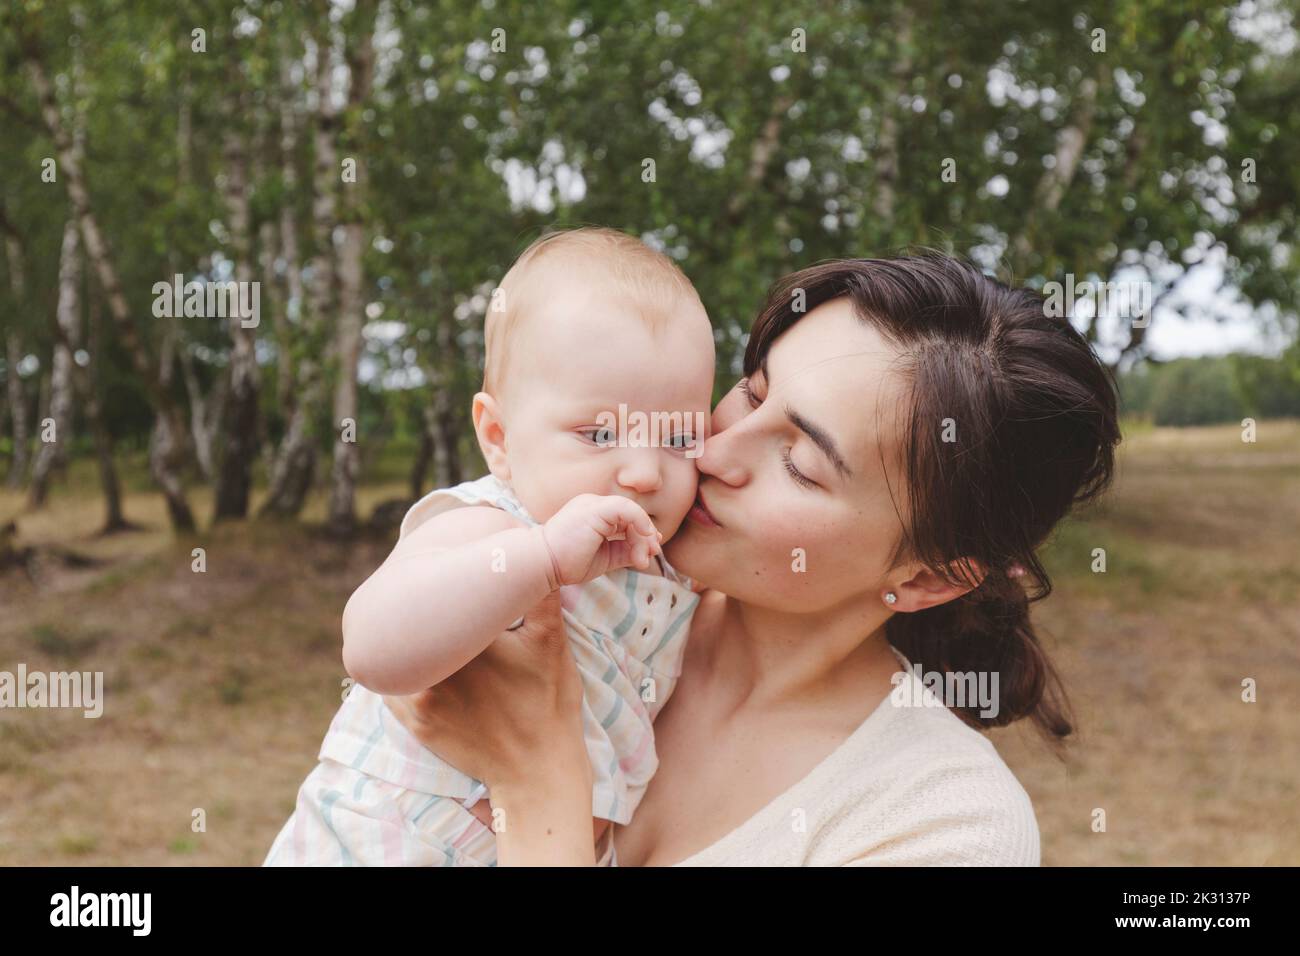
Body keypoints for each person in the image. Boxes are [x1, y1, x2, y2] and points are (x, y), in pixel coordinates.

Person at [382, 252, 1122, 865]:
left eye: (799, 462)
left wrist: (535, 779)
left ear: (927, 577)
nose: (710, 449)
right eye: (750, 391)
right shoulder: (596, 595)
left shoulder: (942, 825)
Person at [264, 227, 715, 865]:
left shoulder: (674, 569)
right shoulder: (492, 527)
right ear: (499, 438)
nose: (644, 471)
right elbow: (369, 647)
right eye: (599, 432)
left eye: (677, 437)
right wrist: (543, 562)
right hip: (383, 839)